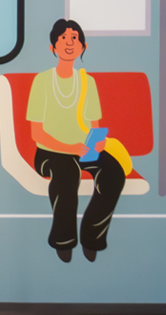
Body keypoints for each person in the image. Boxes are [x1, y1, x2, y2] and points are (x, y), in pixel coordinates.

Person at [27, 19, 125, 263]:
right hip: (49, 152)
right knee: (67, 174)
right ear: (53, 47)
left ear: (83, 46)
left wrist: (97, 143)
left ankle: (92, 236)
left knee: (113, 173)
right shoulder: (41, 81)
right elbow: (37, 133)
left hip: (83, 149)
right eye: (63, 38)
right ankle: (63, 240)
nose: (69, 43)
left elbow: (94, 124)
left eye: (75, 38)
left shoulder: (87, 82)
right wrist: (67, 147)